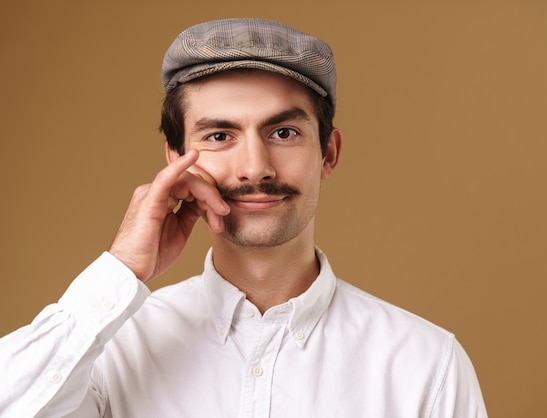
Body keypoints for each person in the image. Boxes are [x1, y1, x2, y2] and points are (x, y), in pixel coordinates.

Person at [0, 18, 487, 417]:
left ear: (329, 153)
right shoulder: (111, 350)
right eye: (219, 136)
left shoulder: (426, 364)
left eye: (283, 132)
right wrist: (121, 268)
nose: (255, 167)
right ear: (175, 160)